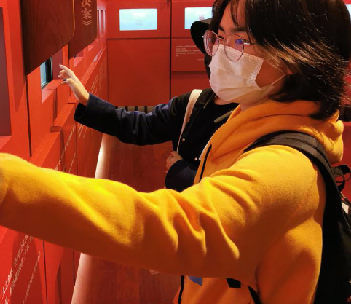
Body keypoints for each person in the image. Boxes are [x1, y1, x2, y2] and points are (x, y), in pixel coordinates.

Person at [0, 0, 351, 304]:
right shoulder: (251, 122)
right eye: (218, 37)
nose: (218, 52)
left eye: (238, 40)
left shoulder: (284, 168)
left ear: (295, 55)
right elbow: (142, 128)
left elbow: (168, 228)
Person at [59, 18, 236, 192]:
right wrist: (87, 101)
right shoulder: (193, 102)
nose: (218, 56)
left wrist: (181, 172)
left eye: (235, 45)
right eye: (216, 43)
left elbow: (233, 196)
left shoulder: (249, 118)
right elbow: (141, 125)